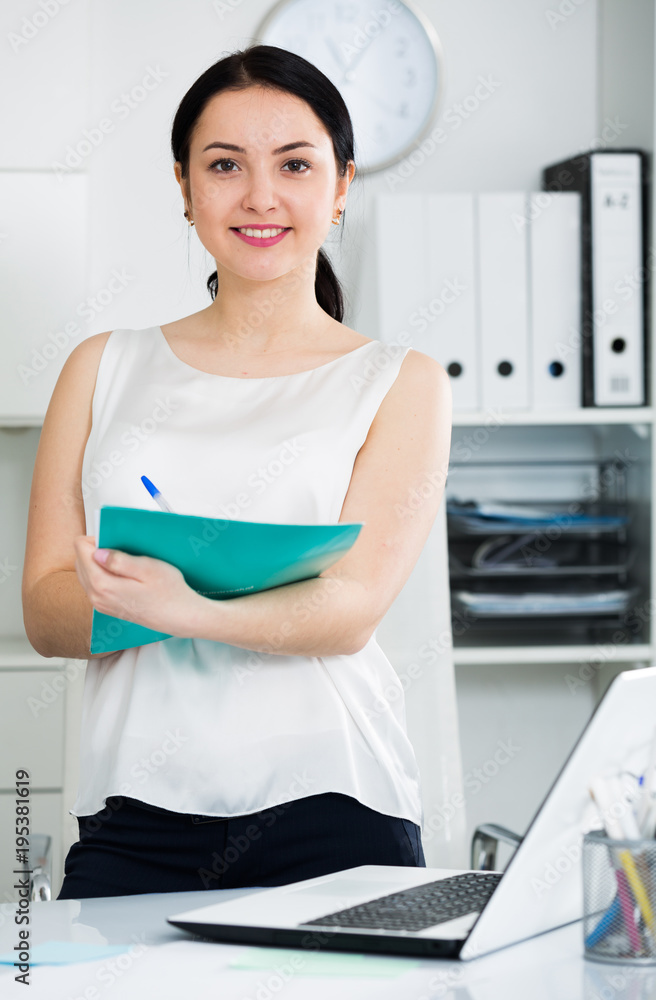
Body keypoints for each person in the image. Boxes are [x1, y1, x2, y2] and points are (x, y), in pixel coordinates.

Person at [22, 44, 452, 899]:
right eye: (225, 165)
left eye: (295, 164)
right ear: (184, 187)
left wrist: (176, 602)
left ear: (339, 188)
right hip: (133, 811)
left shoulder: (402, 381)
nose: (260, 196)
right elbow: (45, 608)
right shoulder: (101, 366)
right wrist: (197, 602)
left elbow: (349, 612)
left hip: (335, 800)